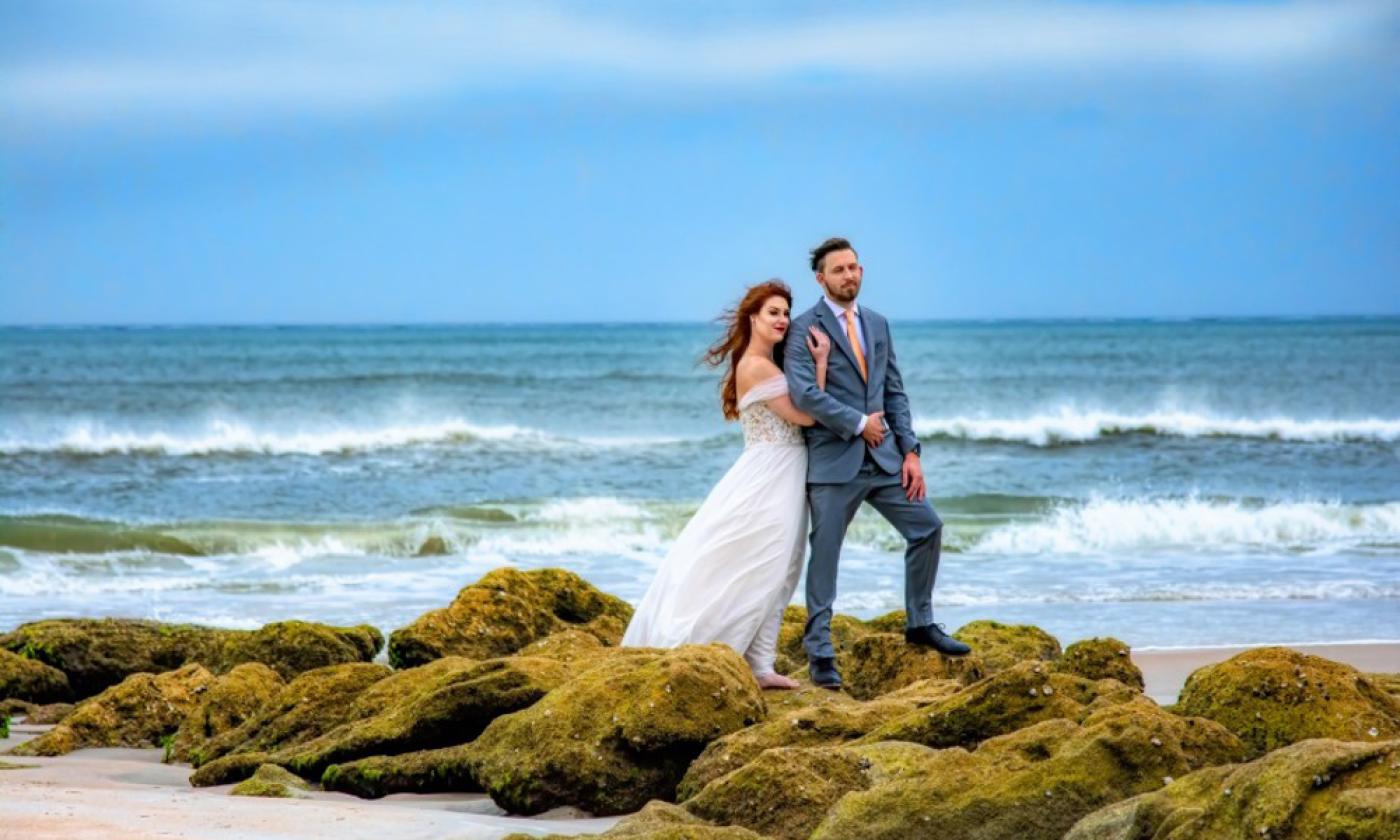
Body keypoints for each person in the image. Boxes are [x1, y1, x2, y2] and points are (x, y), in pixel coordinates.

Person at [620, 280, 830, 689]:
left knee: (783, 566)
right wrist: (820, 364)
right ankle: (733, 655)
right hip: (770, 474)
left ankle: (762, 664)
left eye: (786, 313)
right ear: (753, 317)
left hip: (781, 471)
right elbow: (807, 416)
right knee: (765, 563)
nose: (783, 319)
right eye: (773, 312)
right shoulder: (756, 366)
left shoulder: (767, 363)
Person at [784, 237, 971, 691]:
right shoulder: (802, 327)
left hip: (884, 457)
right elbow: (804, 393)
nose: (849, 275)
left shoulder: (879, 324)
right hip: (833, 461)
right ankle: (821, 652)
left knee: (927, 527)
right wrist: (856, 424)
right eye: (838, 270)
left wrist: (911, 452)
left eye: (854, 267)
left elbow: (894, 392)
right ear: (820, 278)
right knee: (825, 553)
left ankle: (920, 622)